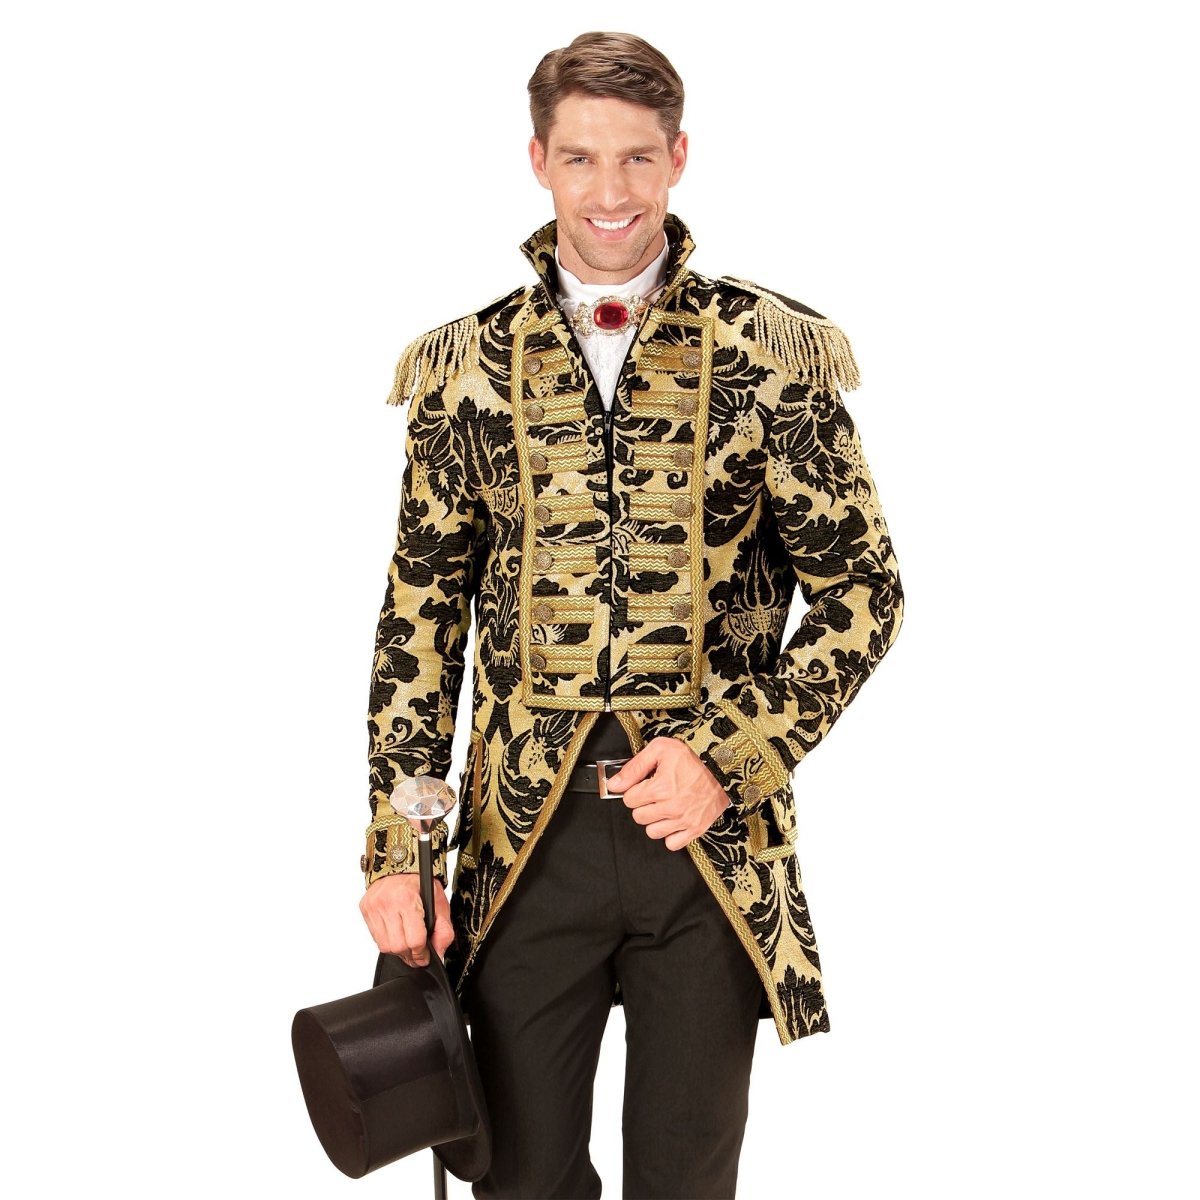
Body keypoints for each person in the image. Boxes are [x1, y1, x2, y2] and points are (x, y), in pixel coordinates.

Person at [358, 31, 903, 1200]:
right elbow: (420, 624)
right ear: (539, 162)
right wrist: (400, 853)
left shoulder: (771, 353)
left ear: (679, 157)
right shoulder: (467, 367)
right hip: (520, 845)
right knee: (517, 1179)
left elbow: (865, 592)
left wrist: (729, 755)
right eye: (581, 158)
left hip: (703, 849)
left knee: (686, 1182)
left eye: (637, 159)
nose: (610, 191)